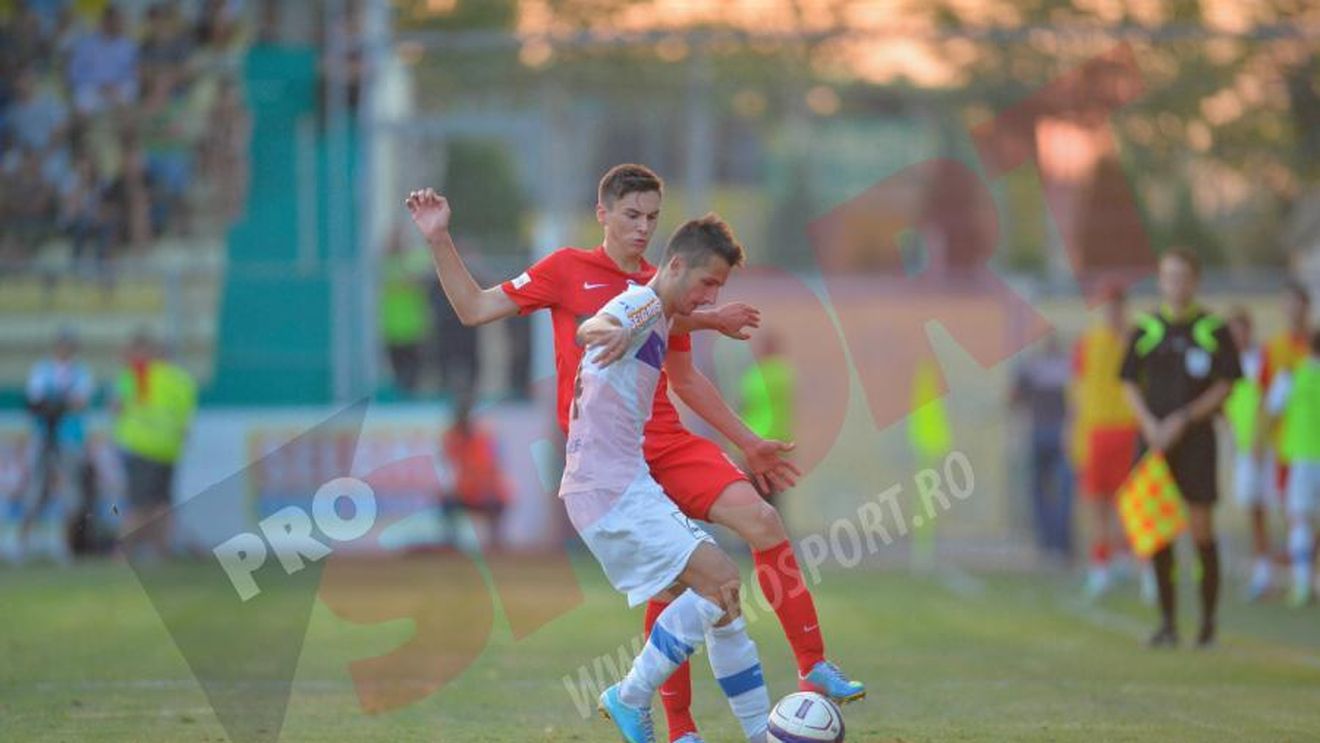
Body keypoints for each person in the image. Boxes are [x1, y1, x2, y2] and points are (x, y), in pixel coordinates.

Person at [406, 164, 863, 743]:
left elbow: (681, 367)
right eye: (631, 215)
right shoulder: (576, 273)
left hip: (659, 445)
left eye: (652, 217)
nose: (643, 227)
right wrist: (439, 238)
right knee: (701, 587)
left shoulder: (662, 286)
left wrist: (742, 427)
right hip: (609, 467)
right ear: (602, 214)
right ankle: (664, 717)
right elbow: (482, 310)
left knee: (742, 551)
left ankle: (794, 682)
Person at [568, 213, 770, 743]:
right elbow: (592, 326)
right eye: (707, 283)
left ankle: (758, 734)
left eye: (718, 288)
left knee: (723, 602)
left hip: (614, 484)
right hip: (611, 488)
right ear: (675, 265)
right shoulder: (638, 305)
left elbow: (673, 321)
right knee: (722, 581)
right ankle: (630, 696)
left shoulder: (658, 312)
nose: (709, 296)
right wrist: (607, 330)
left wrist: (713, 318)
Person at [1120, 249, 1241, 648]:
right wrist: (1150, 425)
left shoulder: (1212, 329)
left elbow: (1226, 383)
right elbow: (1127, 382)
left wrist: (1185, 418)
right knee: (1159, 533)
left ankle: (1207, 624)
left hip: (1197, 442)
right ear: (1160, 280)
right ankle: (1167, 623)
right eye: (1169, 276)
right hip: (1156, 444)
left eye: (1183, 276)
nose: (1176, 284)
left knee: (1202, 530)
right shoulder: (1146, 328)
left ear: (1195, 280)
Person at [1072, 284, 1143, 599]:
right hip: (1097, 431)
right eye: (1108, 306)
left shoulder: (1137, 342)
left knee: (1132, 505)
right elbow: (1077, 389)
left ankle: (1139, 564)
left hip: (1129, 430)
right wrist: (1072, 429)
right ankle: (1100, 566)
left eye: (1118, 306)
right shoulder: (1088, 343)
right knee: (1097, 503)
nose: (1113, 312)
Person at [112, 333, 197, 560]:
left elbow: (117, 406)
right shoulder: (182, 379)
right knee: (161, 505)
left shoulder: (141, 374)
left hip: (141, 447)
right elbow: (186, 421)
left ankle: (124, 553)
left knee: (141, 506)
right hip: (168, 450)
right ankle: (161, 553)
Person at [12, 328, 94, 563]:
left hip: (69, 438)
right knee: (35, 491)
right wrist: (60, 406)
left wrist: (53, 406)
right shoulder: (42, 369)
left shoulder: (81, 372)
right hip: (44, 436)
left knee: (71, 494)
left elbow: (77, 402)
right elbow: (35, 401)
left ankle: (66, 547)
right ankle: (21, 544)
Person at [1260, 329, 1320, 607]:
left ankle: (1302, 583)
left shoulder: (1293, 375)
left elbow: (1272, 411)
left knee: (1299, 519)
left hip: (1302, 457)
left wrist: (1261, 444)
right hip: (1307, 456)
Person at [1224, 306, 1274, 601]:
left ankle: (1275, 570)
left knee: (1268, 508)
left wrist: (1259, 438)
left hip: (1263, 448)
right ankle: (1263, 571)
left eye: (1240, 329)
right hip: (1243, 448)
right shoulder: (1228, 365)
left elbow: (1268, 400)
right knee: (1254, 509)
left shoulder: (1261, 360)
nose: (1237, 336)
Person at [1011, 334, 1073, 564]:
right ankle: (1059, 543)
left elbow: (1014, 398)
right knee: (1060, 492)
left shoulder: (1033, 367)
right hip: (1059, 433)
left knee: (1043, 491)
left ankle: (1048, 542)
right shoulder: (1066, 367)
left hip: (1045, 432)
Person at [439, 394, 510, 552]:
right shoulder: (454, 439)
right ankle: (451, 545)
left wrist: (486, 489)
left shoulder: (482, 440)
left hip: (484, 492)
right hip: (464, 493)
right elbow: (446, 462)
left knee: (498, 502)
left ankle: (495, 545)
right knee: (446, 502)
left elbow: (489, 470)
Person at [738, 330, 795, 503]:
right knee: (773, 494)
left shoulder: (756, 375)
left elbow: (745, 406)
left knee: (757, 494)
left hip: (757, 438)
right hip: (780, 439)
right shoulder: (784, 373)